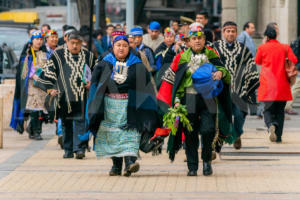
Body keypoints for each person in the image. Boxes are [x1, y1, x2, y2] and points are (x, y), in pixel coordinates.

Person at [157, 23, 231, 176]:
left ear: (205, 40)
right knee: (190, 133)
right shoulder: (182, 57)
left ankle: (206, 162)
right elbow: (176, 82)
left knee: (208, 130)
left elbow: (225, 72)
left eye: (200, 38)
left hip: (208, 98)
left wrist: (220, 73)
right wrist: (176, 100)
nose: (197, 41)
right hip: (188, 98)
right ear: (188, 42)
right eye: (194, 39)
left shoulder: (211, 54)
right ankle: (192, 167)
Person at [87, 35, 159, 177]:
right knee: (113, 137)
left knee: (130, 134)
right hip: (109, 107)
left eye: (124, 46)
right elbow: (95, 86)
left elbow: (146, 88)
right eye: (118, 45)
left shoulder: (137, 64)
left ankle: (130, 163)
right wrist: (94, 105)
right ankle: (116, 165)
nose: (121, 48)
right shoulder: (103, 64)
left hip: (131, 107)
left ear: (129, 48)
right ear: (113, 47)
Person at [35, 31, 96, 159]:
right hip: (63, 96)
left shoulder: (88, 55)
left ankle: (79, 149)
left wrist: (91, 83)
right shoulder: (58, 55)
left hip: (82, 96)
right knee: (66, 123)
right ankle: (68, 149)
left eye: (78, 44)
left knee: (81, 122)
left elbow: (96, 70)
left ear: (81, 44)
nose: (75, 46)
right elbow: (48, 71)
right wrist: (50, 88)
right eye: (72, 43)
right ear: (67, 42)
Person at [213, 21, 259, 150]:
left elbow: (250, 65)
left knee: (240, 114)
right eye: (228, 31)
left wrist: (250, 81)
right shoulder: (215, 47)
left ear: (236, 33)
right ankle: (219, 141)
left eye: (233, 31)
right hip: (220, 90)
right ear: (223, 32)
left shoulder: (243, 49)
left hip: (239, 90)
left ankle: (237, 134)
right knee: (222, 117)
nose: (230, 33)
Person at [255, 24, 298, 143]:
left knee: (268, 110)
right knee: (280, 111)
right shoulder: (284, 47)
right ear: (276, 35)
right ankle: (278, 137)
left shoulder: (262, 48)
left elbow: (257, 61)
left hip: (267, 84)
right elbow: (294, 60)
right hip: (282, 84)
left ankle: (270, 126)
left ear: (266, 36)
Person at [10, 30, 48, 140]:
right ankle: (36, 132)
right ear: (32, 41)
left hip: (42, 85)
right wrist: (32, 75)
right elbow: (23, 71)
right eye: (37, 39)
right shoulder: (26, 54)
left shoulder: (44, 53)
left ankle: (32, 129)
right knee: (34, 109)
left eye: (41, 39)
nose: (39, 41)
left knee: (40, 108)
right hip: (30, 85)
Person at [285, 36, 300, 115]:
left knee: (296, 87)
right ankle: (287, 106)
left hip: (296, 66)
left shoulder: (296, 41)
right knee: (296, 87)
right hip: (297, 67)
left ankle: (287, 106)